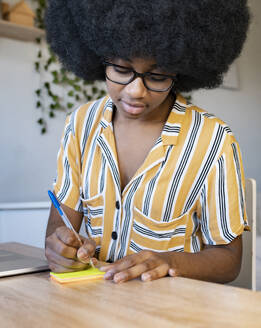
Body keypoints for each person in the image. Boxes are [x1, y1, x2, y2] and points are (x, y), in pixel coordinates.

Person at [44, 0, 250, 284]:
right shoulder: (80, 125)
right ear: (97, 57)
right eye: (120, 69)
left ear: (179, 71)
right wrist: (60, 247)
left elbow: (229, 261)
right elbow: (59, 226)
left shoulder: (213, 139)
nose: (135, 90)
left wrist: (168, 261)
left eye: (156, 75)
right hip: (92, 304)